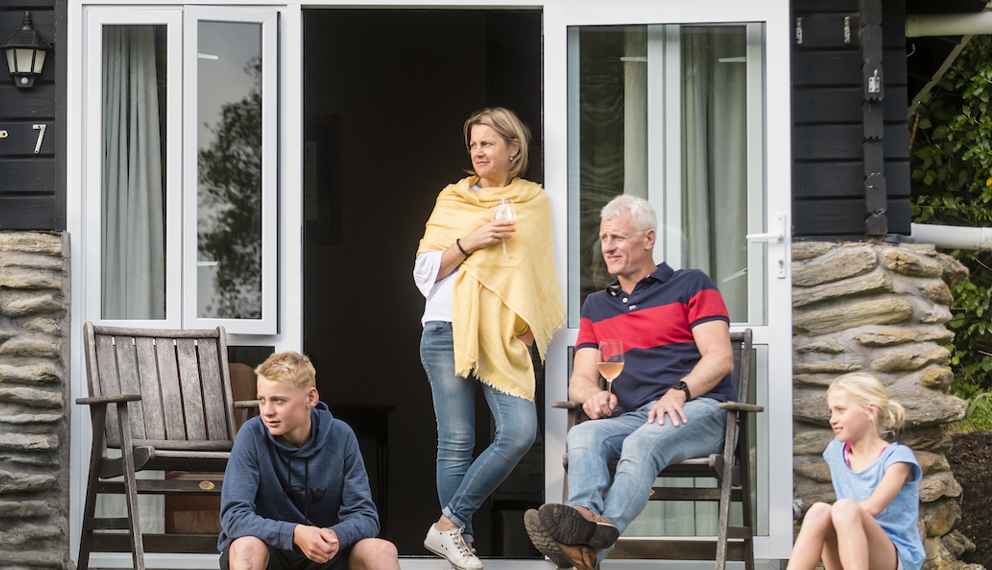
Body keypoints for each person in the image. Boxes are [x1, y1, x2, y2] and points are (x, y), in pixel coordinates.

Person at [522, 194, 737, 570]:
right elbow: (582, 379)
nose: (608, 246)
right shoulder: (597, 306)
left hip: (699, 410)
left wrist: (679, 392)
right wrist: (591, 397)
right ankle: (584, 517)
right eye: (604, 238)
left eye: (618, 237)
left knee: (641, 441)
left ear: (648, 239)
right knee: (584, 434)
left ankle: (586, 547)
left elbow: (719, 357)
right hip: (637, 414)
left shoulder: (691, 285)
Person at [413, 107, 564, 570]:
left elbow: (537, 275)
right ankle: (463, 547)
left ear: (512, 149)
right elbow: (422, 273)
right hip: (445, 327)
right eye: (473, 144)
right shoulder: (452, 199)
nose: (478, 152)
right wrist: (470, 241)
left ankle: (449, 524)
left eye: (488, 143)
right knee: (455, 441)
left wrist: (526, 321)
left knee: (519, 431)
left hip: (501, 334)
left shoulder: (533, 201)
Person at [219, 352, 399, 570]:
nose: (267, 411)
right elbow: (233, 516)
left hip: (327, 553)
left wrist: (335, 536)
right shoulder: (252, 434)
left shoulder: (341, 436)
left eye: (278, 400)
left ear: (311, 398)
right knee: (245, 547)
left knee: (382, 550)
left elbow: (366, 517)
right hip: (272, 552)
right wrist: (294, 533)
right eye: (262, 400)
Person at [787, 374, 923, 570]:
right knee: (818, 511)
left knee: (843, 508)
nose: (833, 420)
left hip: (894, 558)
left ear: (871, 412)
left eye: (841, 410)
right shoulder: (835, 451)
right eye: (831, 412)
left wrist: (839, 513)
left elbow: (873, 507)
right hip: (849, 549)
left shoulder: (898, 458)